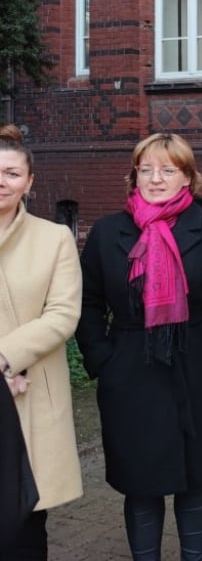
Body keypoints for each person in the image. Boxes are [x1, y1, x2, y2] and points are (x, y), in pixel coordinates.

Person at [76, 133, 202, 561]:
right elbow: (87, 303)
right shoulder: (107, 232)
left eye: (168, 170)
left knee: (194, 473)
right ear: (134, 176)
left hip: (197, 365)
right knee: (140, 477)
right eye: (145, 170)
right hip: (130, 369)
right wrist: (104, 362)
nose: (155, 179)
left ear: (187, 177)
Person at [0, 125, 83, 559]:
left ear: (30, 182)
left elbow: (63, 314)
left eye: (12, 174)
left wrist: (4, 357)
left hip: (28, 394)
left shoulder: (55, 239)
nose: (2, 181)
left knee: (25, 525)